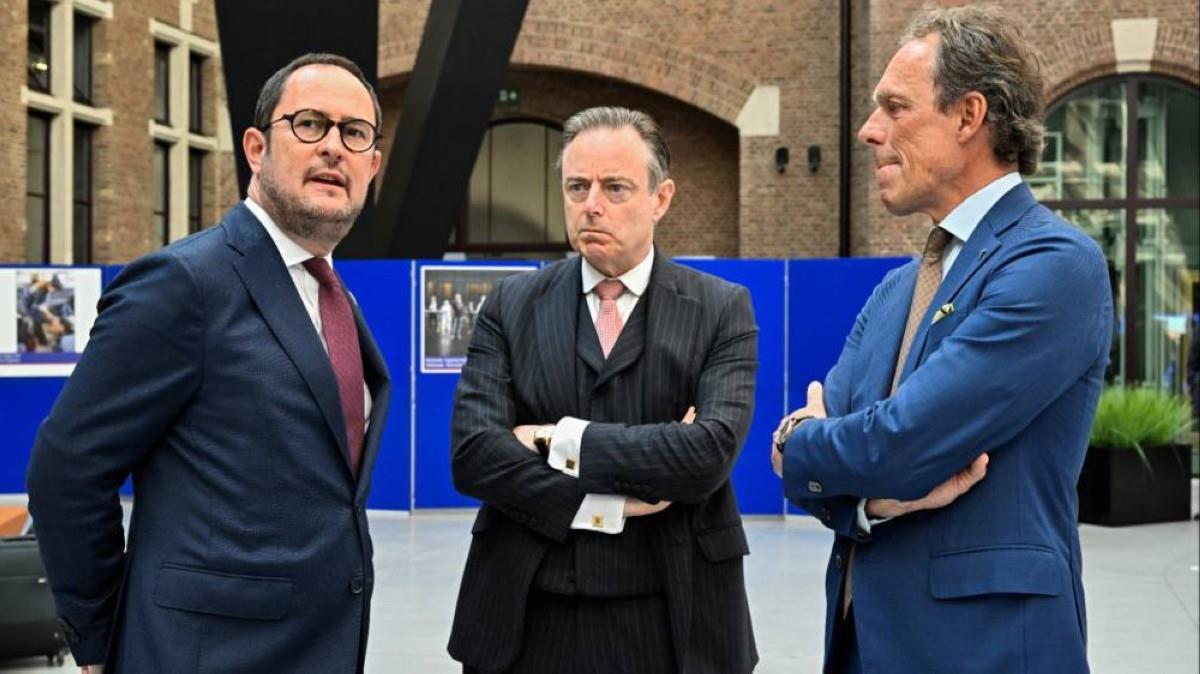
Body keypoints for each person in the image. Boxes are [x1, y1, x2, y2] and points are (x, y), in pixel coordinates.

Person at [771, 7, 1113, 673]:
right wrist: (869, 499)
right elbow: (843, 467)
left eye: (895, 107)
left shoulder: (1054, 265)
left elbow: (900, 442)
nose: (870, 131)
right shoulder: (896, 289)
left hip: (986, 650)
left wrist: (799, 441)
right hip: (863, 647)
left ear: (968, 116)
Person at [26, 52, 391, 674]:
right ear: (256, 148)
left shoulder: (334, 298)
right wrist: (102, 638)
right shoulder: (183, 283)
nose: (333, 146)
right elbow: (68, 468)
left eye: (354, 133)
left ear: (372, 166)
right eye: (309, 124)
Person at [448, 106, 759, 673]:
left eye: (615, 188)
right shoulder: (509, 306)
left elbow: (706, 455)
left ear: (660, 198)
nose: (591, 204)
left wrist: (552, 439)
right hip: (526, 614)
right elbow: (474, 455)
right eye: (577, 187)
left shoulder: (720, 310)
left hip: (675, 617)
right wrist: (604, 504)